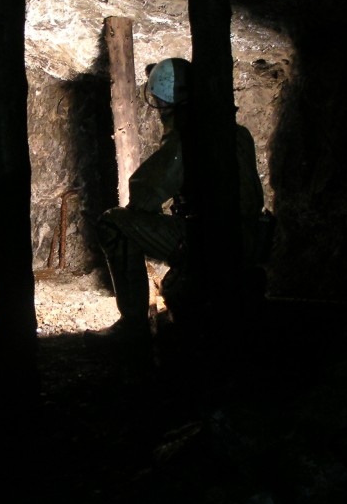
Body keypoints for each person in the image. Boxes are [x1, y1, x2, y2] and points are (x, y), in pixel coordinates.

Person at [84, 57, 265, 345]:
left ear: (163, 101)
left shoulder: (187, 139)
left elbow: (145, 192)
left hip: (213, 241)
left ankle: (132, 325)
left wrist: (146, 219)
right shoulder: (238, 132)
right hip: (252, 240)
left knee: (113, 223)